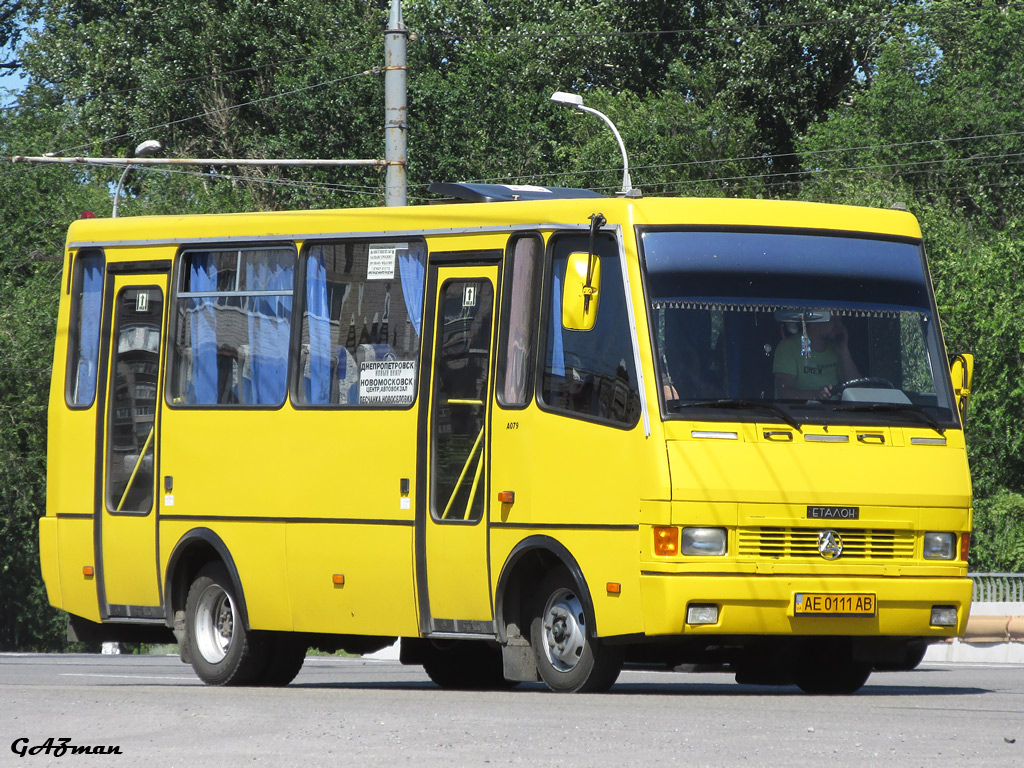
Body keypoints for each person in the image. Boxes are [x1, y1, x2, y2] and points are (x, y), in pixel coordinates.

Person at [773, 314, 859, 400]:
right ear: (814, 320)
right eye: (832, 319)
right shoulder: (788, 347)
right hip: (797, 413)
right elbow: (785, 393)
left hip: (835, 412)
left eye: (839, 319)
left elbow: (857, 391)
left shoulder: (837, 348)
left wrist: (844, 350)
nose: (838, 325)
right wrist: (817, 395)